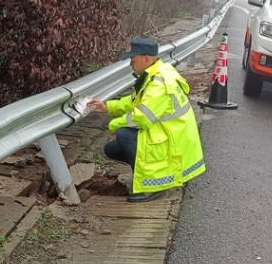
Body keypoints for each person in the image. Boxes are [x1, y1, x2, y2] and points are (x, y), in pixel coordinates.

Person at [88, 38, 205, 203]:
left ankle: (154, 185)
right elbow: (136, 101)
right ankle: (149, 175)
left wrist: (114, 124)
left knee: (124, 134)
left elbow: (142, 118)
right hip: (168, 135)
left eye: (133, 60)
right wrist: (108, 107)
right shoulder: (155, 73)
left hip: (173, 143)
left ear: (147, 59)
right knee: (112, 149)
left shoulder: (159, 83)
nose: (131, 65)